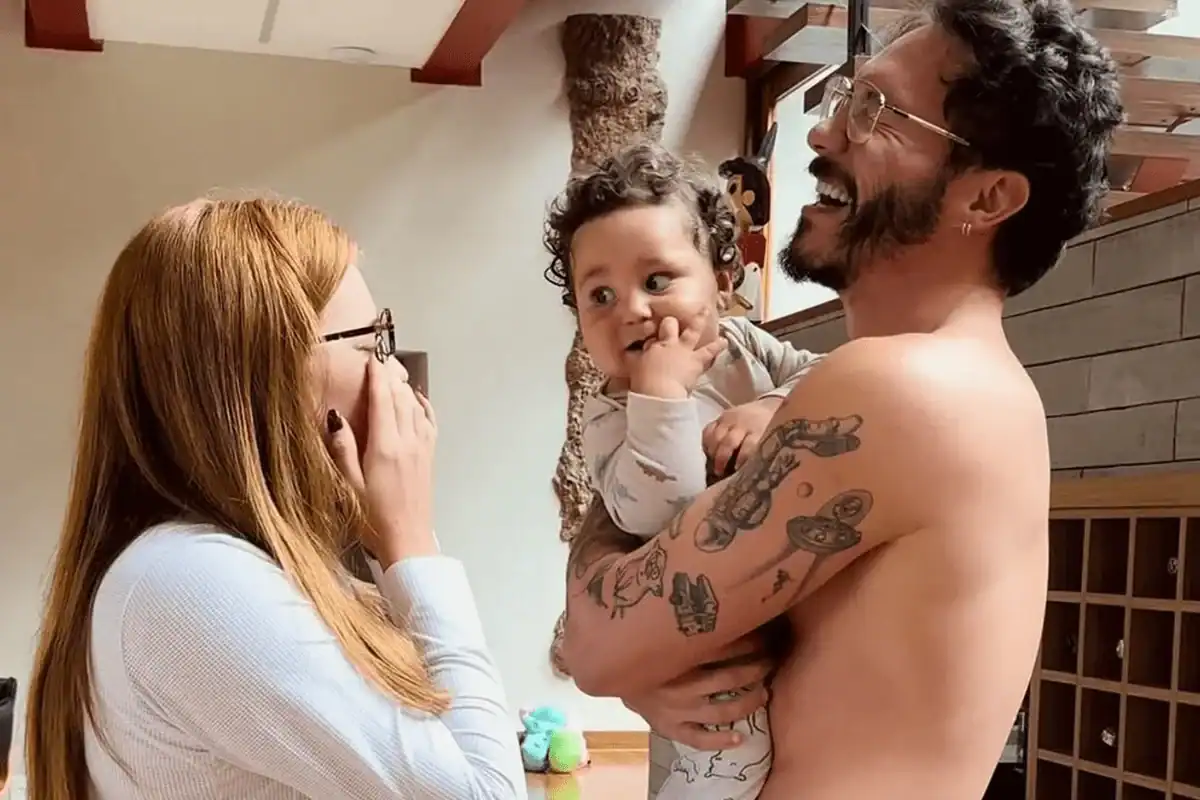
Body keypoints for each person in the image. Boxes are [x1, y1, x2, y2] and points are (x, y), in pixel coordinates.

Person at [559, 0, 1123, 798]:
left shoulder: (901, 390)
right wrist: (651, 661)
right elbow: (633, 622)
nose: (824, 135)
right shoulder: (960, 385)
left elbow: (593, 643)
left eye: (875, 111)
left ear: (987, 198)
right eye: (844, 100)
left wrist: (633, 654)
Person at [23, 198, 527, 800]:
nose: (394, 376)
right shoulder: (191, 579)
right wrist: (413, 543)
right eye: (371, 343)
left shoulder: (212, 568)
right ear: (272, 371)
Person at [542, 143, 823, 800]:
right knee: (725, 748)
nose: (631, 309)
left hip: (780, 605)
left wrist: (773, 407)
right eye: (600, 295)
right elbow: (654, 512)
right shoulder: (611, 412)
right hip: (698, 632)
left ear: (722, 283)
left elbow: (827, 376)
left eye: (657, 281)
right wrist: (661, 397)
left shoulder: (747, 347)